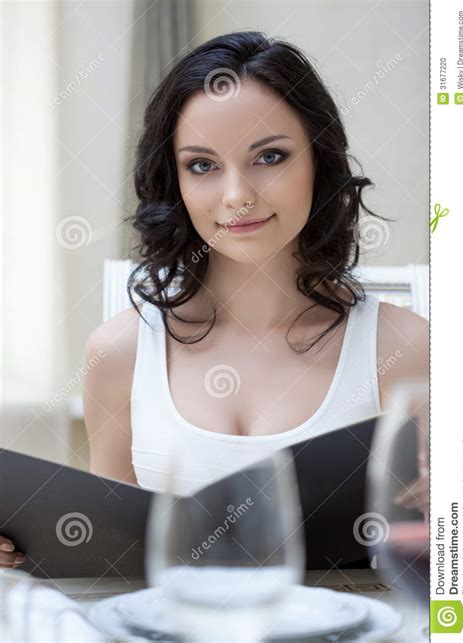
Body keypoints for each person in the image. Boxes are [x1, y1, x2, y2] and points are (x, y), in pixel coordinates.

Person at [1, 31, 428, 568]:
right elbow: (110, 567)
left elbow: (442, 567)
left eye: (269, 156)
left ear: (319, 162)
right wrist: (23, 551)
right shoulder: (118, 355)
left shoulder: (405, 348)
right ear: (173, 180)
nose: (236, 195)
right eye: (202, 165)